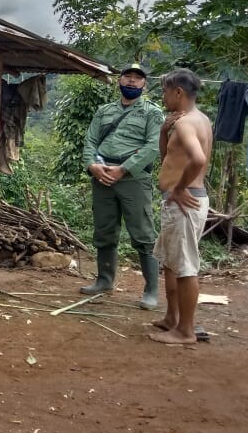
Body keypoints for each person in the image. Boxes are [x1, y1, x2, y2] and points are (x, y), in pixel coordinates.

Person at [81, 64, 164, 309]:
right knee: (104, 230)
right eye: (127, 76)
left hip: (133, 178)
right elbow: (90, 140)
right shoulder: (104, 110)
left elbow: (153, 146)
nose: (131, 81)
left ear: (144, 85)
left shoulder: (152, 112)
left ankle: (151, 291)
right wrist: (92, 166)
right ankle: (104, 281)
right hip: (102, 175)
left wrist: (124, 168)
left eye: (137, 78)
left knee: (143, 235)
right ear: (119, 80)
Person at [150, 69, 212, 345]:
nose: (163, 96)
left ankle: (186, 331)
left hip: (185, 203)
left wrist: (179, 187)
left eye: (165, 91)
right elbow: (168, 159)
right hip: (180, 203)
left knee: (185, 266)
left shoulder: (187, 124)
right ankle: (172, 318)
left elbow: (198, 160)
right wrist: (164, 131)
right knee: (171, 262)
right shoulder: (196, 120)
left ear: (178, 93)